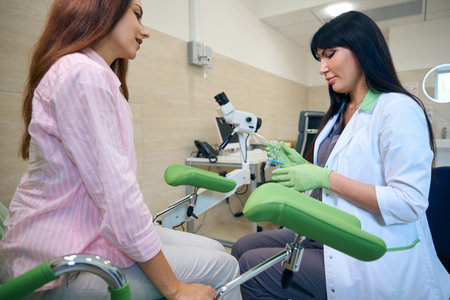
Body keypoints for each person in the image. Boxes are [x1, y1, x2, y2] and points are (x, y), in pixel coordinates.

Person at [0, 0, 241, 299]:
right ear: (101, 9)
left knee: (214, 247)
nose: (145, 31)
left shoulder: (86, 73)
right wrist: (176, 289)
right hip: (62, 265)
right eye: (137, 15)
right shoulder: (83, 74)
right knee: (225, 266)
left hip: (84, 234)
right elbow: (119, 198)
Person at [232, 10, 450, 300]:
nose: (322, 68)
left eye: (329, 54)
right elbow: (335, 178)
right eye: (319, 59)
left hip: (370, 246)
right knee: (243, 245)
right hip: (331, 226)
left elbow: (409, 202)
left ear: (362, 50)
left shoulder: (397, 108)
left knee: (251, 264)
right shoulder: (339, 113)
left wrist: (324, 176)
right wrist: (304, 167)